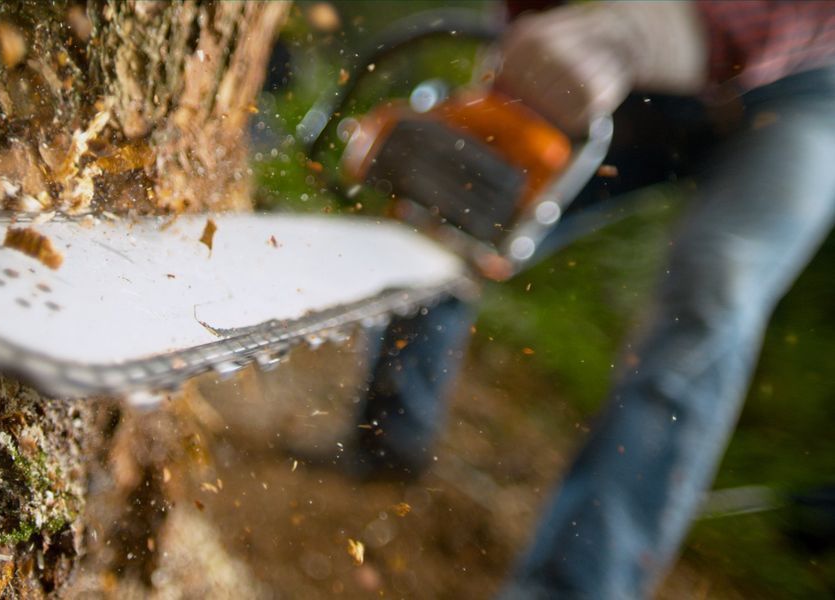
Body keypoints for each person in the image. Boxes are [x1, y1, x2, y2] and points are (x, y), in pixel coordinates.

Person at [336, 2, 835, 597]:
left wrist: (675, 26)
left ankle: (576, 588)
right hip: (618, 54)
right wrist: (536, 49)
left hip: (802, 82)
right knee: (470, 191)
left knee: (716, 290)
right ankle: (386, 441)